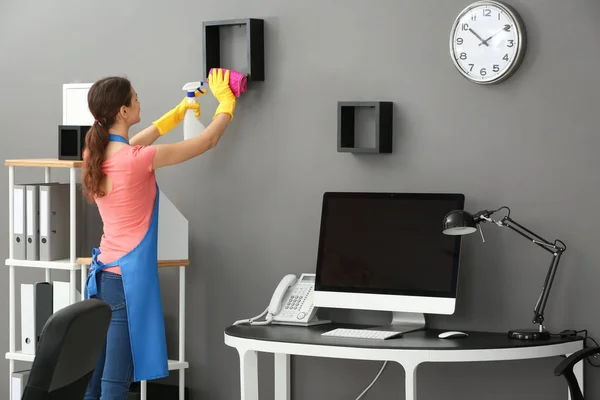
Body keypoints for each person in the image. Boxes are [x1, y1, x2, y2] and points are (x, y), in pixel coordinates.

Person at [81, 68, 236, 400]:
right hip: (127, 281)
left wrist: (180, 111)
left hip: (103, 278)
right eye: (135, 98)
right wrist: (227, 103)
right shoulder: (138, 160)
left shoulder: (97, 156)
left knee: (93, 380)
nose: (139, 102)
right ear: (123, 111)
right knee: (114, 384)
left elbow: (140, 139)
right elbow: (207, 141)